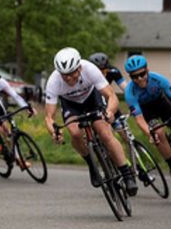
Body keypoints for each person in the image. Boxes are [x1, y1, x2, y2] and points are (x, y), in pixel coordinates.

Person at [44, 47, 138, 195]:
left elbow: (111, 96)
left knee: (105, 133)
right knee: (74, 133)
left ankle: (127, 174)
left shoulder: (90, 69)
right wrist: (54, 131)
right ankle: (92, 165)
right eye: (64, 75)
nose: (68, 78)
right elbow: (49, 117)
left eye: (71, 73)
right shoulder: (53, 81)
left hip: (92, 98)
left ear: (79, 68)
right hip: (71, 105)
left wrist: (109, 112)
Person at [123, 54, 171, 183]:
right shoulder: (130, 92)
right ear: (130, 77)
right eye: (135, 76)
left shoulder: (158, 79)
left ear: (147, 70)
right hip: (147, 111)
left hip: (162, 104)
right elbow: (139, 119)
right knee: (158, 133)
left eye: (142, 74)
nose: (140, 78)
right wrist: (150, 133)